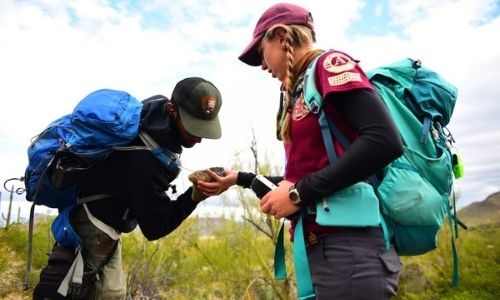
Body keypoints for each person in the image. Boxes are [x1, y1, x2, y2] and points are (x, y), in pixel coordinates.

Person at [197, 3, 404, 299]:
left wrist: (298, 195)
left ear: (281, 37)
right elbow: (307, 176)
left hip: (349, 252)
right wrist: (238, 179)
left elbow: (384, 140)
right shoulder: (301, 89)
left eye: (261, 54)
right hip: (324, 250)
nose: (263, 66)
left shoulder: (329, 65)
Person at [33, 77, 223, 300]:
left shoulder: (153, 113)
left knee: (112, 294)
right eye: (193, 128)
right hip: (94, 228)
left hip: (97, 219)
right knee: (72, 290)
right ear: (172, 110)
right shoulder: (145, 162)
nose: (199, 139)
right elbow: (156, 227)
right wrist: (194, 197)